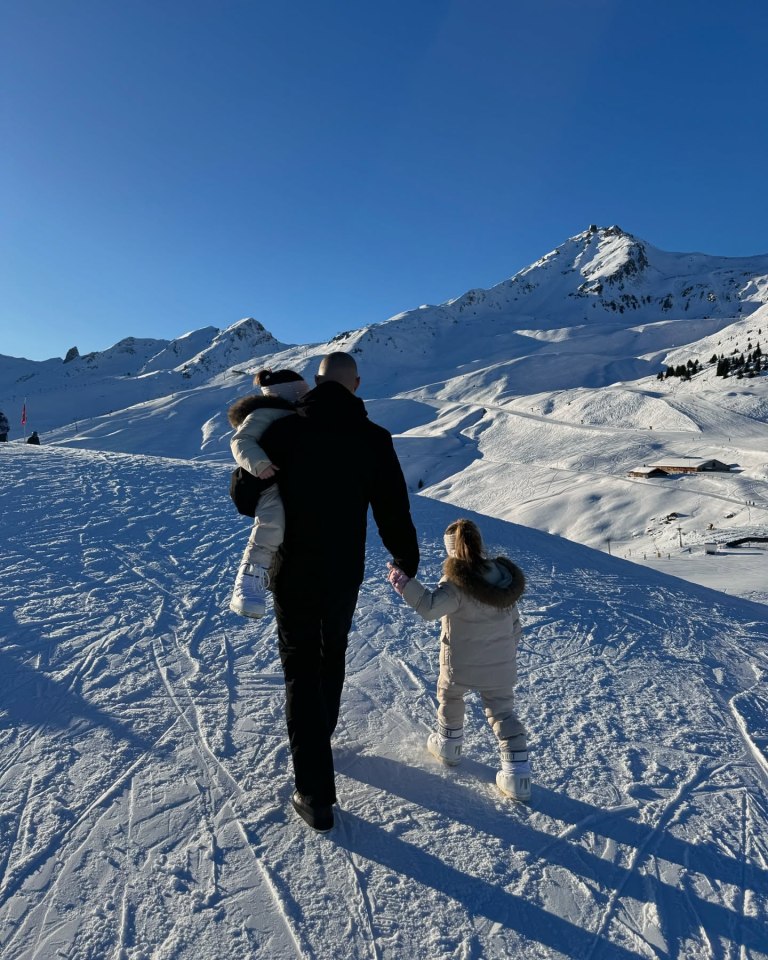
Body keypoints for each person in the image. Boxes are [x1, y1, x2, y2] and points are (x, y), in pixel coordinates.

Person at [260, 351, 419, 831]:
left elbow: (244, 497)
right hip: (343, 570)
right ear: (356, 385)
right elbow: (392, 506)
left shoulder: (284, 430)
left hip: (291, 569)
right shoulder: (373, 438)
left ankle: (314, 792)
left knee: (300, 668)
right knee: (332, 654)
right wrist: (404, 559)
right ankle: (319, 737)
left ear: (315, 382)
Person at [387, 518, 531, 802]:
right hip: (501, 666)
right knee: (502, 713)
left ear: (451, 550)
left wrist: (404, 585)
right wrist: (505, 653)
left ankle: (449, 745)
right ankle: (518, 775)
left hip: (460, 665)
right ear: (480, 543)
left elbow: (429, 608)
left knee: (450, 696)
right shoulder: (503, 579)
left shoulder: (455, 584)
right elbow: (515, 626)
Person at [227, 369, 310, 618]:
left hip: (290, 478)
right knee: (273, 520)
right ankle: (249, 577)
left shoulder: (298, 413)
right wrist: (259, 464)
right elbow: (240, 441)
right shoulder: (264, 413)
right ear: (293, 391)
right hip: (271, 481)